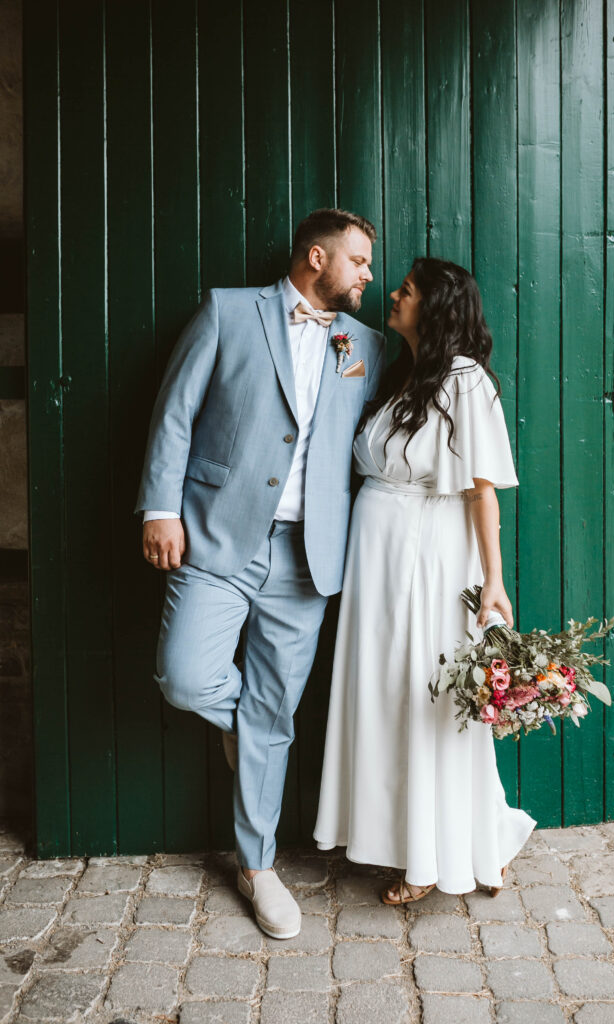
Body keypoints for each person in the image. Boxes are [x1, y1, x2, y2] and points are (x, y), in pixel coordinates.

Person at [136, 209, 385, 937]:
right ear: (317, 256)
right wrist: (159, 508)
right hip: (215, 536)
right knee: (186, 679)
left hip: (307, 557)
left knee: (274, 713)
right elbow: (175, 414)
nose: (369, 274)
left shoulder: (362, 343)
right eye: (359, 260)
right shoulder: (228, 310)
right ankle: (261, 732)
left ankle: (257, 865)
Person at [314, 257, 536, 902]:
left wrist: (493, 581)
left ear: (434, 307)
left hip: (430, 554)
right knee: (383, 692)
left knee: (425, 693)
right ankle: (405, 838)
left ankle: (437, 854)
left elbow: (482, 491)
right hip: (377, 557)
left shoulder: (465, 380)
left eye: (406, 290)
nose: (392, 293)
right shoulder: (402, 374)